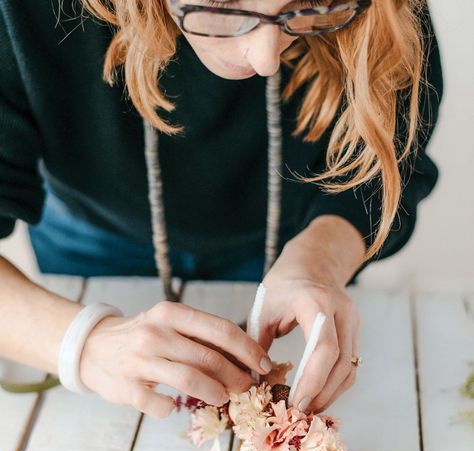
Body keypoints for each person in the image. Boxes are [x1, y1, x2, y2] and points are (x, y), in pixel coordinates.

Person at [0, 0, 442, 418]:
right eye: (223, 3)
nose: (265, 59)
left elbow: (391, 167)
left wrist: (320, 259)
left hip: (292, 236)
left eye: (308, 3)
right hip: (93, 233)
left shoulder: (382, 13)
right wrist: (84, 342)